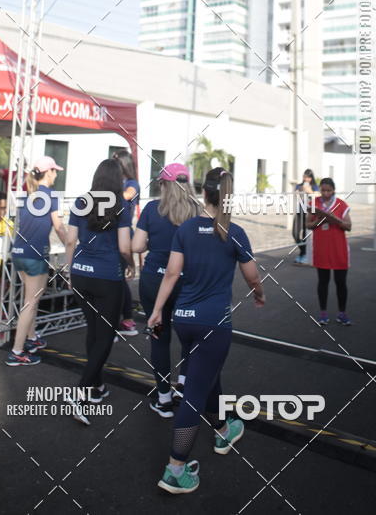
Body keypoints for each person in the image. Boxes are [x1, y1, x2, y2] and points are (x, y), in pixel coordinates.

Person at [148, 167, 265, 494]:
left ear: (204, 193)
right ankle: (175, 469)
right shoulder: (234, 232)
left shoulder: (186, 229)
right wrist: (259, 294)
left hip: (183, 320)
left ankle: (225, 428)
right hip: (213, 325)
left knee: (207, 376)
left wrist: (158, 310)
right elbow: (252, 276)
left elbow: (171, 274)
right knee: (196, 391)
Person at [66, 159, 135, 423]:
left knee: (94, 331)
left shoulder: (81, 201)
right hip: (107, 277)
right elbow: (125, 247)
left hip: (81, 273)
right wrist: (130, 265)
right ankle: (82, 391)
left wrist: (70, 272)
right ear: (118, 180)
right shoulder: (121, 205)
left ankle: (96, 386)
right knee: (105, 335)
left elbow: (71, 239)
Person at [132, 162, 197, 417]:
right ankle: (183, 386)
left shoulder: (151, 208)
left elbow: (137, 246)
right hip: (186, 283)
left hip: (154, 281)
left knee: (159, 337)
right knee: (189, 339)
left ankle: (163, 398)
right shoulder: (197, 210)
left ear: (163, 184)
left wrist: (155, 241)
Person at [6, 156, 68, 366]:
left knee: (31, 300)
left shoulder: (27, 195)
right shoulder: (50, 196)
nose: (56, 174)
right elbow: (58, 227)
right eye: (55, 171)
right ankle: (16, 351)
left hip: (19, 253)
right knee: (30, 303)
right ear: (48, 172)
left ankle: (31, 339)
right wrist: (72, 246)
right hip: (34, 255)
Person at [306, 177, 352, 326]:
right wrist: (321, 220)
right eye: (323, 190)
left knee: (340, 282)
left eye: (329, 190)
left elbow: (348, 226)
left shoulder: (341, 204)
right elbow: (308, 224)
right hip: (322, 247)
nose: (325, 193)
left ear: (334, 190)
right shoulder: (314, 203)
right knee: (323, 281)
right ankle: (323, 313)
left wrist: (334, 219)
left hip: (339, 247)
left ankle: (342, 313)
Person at [113, 149, 140, 336]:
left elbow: (126, 195)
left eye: (116, 162)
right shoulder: (113, 183)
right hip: (109, 233)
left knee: (119, 279)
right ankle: (120, 320)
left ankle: (127, 319)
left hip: (123, 233)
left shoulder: (132, 184)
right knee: (115, 279)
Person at [293, 169, 319, 264]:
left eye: (307, 177)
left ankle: (303, 254)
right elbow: (296, 194)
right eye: (304, 177)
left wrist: (310, 191)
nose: (306, 179)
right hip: (300, 211)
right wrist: (299, 191)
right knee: (295, 233)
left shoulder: (315, 187)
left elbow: (317, 196)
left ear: (311, 178)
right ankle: (303, 252)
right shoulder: (299, 185)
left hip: (308, 212)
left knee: (305, 235)